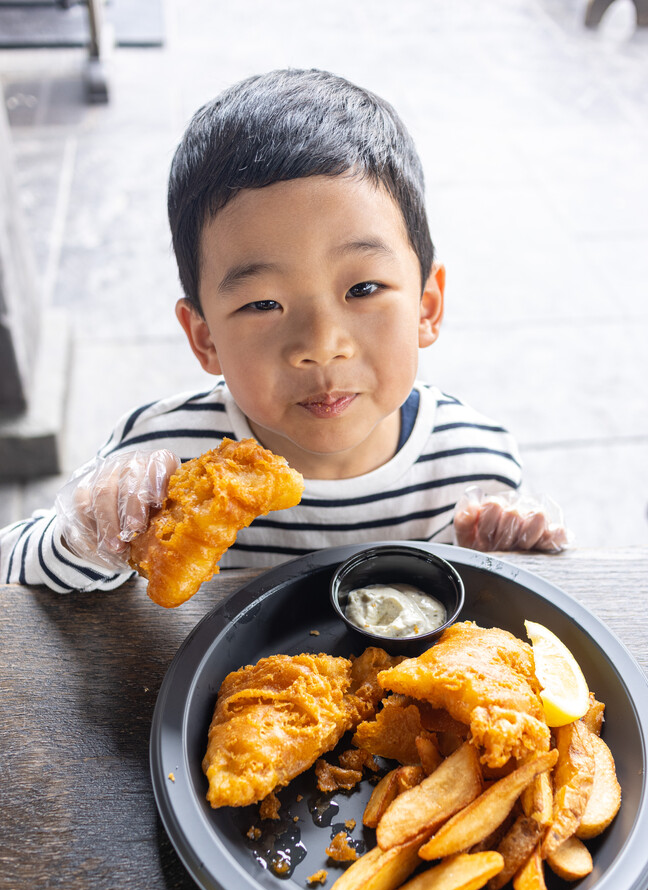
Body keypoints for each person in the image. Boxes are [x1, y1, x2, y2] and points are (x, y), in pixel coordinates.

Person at [0, 68, 567, 594]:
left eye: (363, 289)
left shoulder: (474, 464)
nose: (322, 344)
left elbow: (510, 609)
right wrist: (84, 538)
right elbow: (11, 575)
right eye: (263, 302)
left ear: (427, 306)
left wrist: (510, 556)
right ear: (205, 338)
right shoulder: (163, 458)